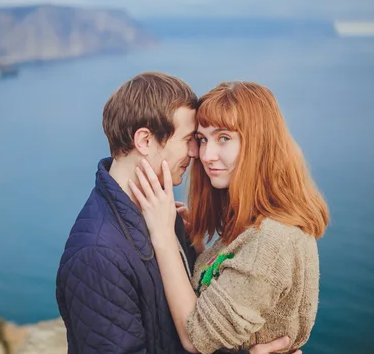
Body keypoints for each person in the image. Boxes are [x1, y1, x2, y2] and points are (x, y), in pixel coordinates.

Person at [56, 73, 302, 354]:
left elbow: (190, 323)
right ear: (145, 141)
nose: (197, 153)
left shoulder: (163, 216)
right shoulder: (98, 254)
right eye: (190, 139)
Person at [130, 81, 329, 353]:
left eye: (224, 138)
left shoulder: (272, 240)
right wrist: (199, 249)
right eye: (202, 139)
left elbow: (196, 337)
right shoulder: (252, 223)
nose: (206, 155)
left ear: (258, 144)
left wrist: (163, 236)